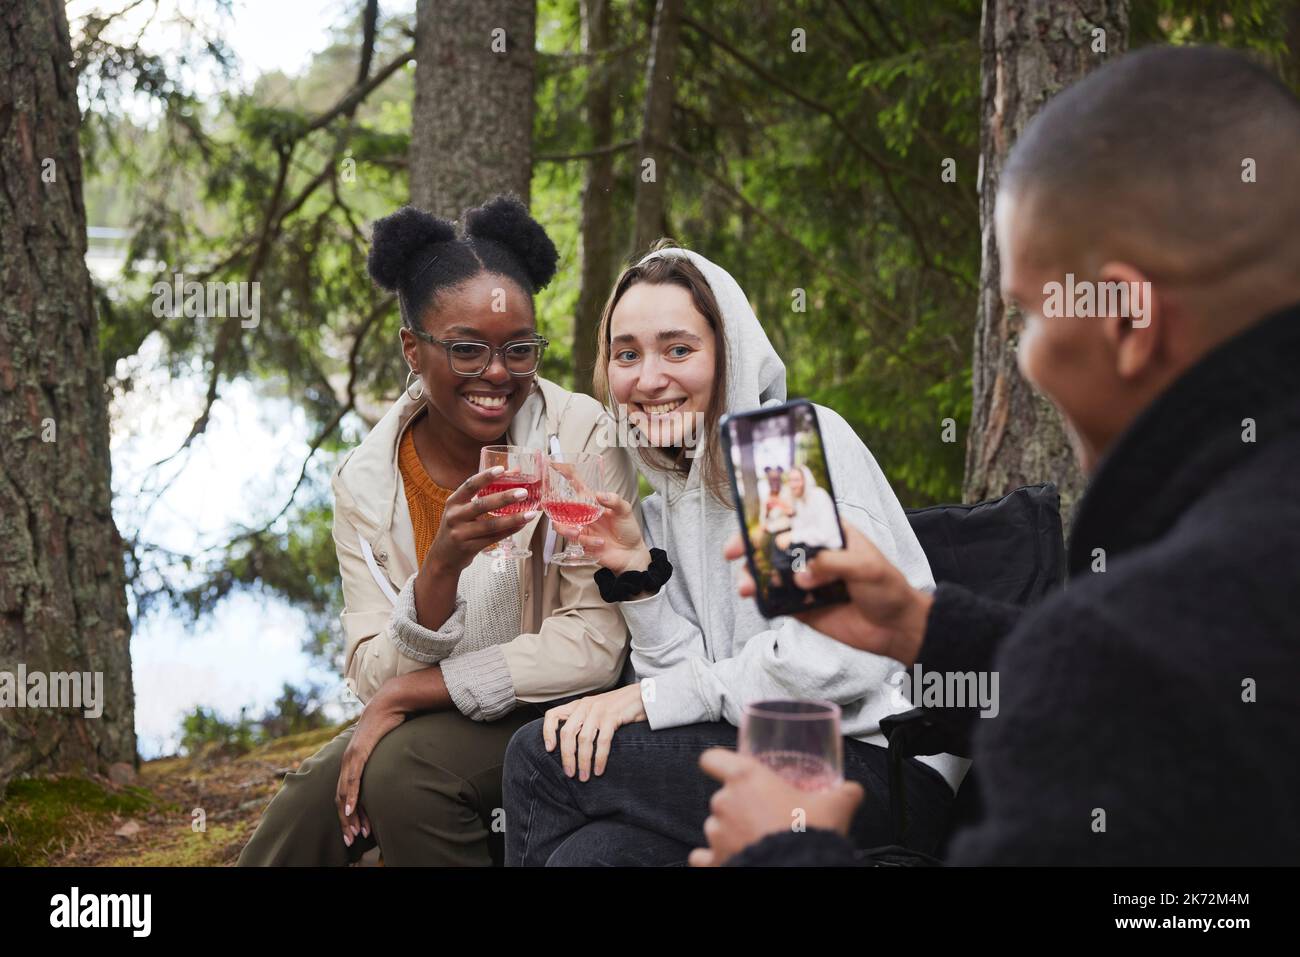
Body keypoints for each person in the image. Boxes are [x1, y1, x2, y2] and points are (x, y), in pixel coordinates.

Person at [694, 45, 1300, 866]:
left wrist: (779, 850)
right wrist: (923, 626)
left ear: (1125, 321)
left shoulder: (1151, 627)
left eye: (1029, 318)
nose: (1025, 359)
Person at [501, 243, 968, 866]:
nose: (648, 379)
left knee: (540, 759)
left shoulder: (776, 455)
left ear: (729, 356)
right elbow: (692, 689)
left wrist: (645, 701)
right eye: (627, 354)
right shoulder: (659, 510)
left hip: (877, 763)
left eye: (679, 349)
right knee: (592, 855)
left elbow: (831, 666)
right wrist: (638, 574)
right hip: (753, 752)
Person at [238, 196, 637, 866]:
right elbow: (372, 668)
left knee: (402, 773)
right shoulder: (365, 482)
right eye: (466, 349)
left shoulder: (579, 438)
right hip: (434, 710)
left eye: (519, 348)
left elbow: (596, 643)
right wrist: (442, 567)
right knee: (307, 805)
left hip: (559, 708)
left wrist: (405, 693)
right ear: (412, 350)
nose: (497, 373)